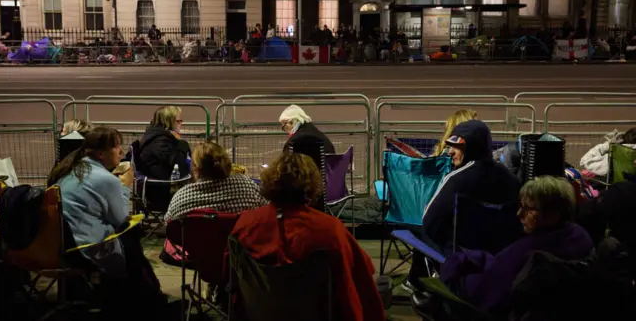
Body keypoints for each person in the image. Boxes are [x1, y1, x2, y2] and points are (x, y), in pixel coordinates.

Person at [230, 153, 385, 321]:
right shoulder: (330, 230)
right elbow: (361, 284)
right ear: (311, 186)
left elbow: (231, 282)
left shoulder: (244, 225)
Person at [47, 127, 164, 315]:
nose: (121, 151)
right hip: (84, 248)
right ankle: (142, 300)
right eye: (116, 146)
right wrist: (125, 186)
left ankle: (140, 294)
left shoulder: (73, 169)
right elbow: (120, 219)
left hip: (58, 245)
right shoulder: (106, 180)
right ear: (101, 154)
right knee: (130, 235)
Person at [437, 176, 593, 316]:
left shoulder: (528, 251)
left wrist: (452, 273)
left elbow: (483, 293)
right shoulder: (581, 236)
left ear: (553, 213)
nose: (519, 214)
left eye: (528, 209)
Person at [408, 120, 521, 294]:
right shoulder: (512, 180)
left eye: (456, 147)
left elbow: (429, 223)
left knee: (417, 231)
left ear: (471, 148)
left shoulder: (456, 180)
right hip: (502, 259)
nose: (450, 152)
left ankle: (416, 284)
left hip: (460, 259)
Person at [164, 141, 266, 222]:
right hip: (238, 246)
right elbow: (266, 209)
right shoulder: (248, 187)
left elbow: (168, 222)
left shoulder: (182, 197)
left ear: (196, 169)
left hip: (196, 247)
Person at [134, 106, 191, 180]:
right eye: (178, 121)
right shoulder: (160, 142)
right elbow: (179, 168)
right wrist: (181, 144)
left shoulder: (155, 137)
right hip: (162, 187)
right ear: (169, 122)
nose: (181, 123)